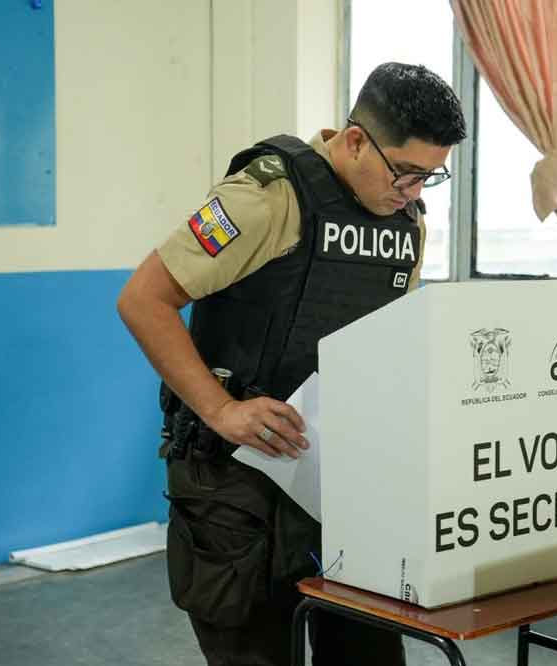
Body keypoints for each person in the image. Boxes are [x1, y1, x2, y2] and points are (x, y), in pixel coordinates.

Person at [117, 62, 466, 665]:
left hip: (336, 485)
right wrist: (221, 408)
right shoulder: (266, 197)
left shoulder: (406, 224)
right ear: (355, 140)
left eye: (428, 179)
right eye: (405, 173)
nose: (411, 193)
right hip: (235, 487)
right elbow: (143, 299)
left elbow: (384, 338)